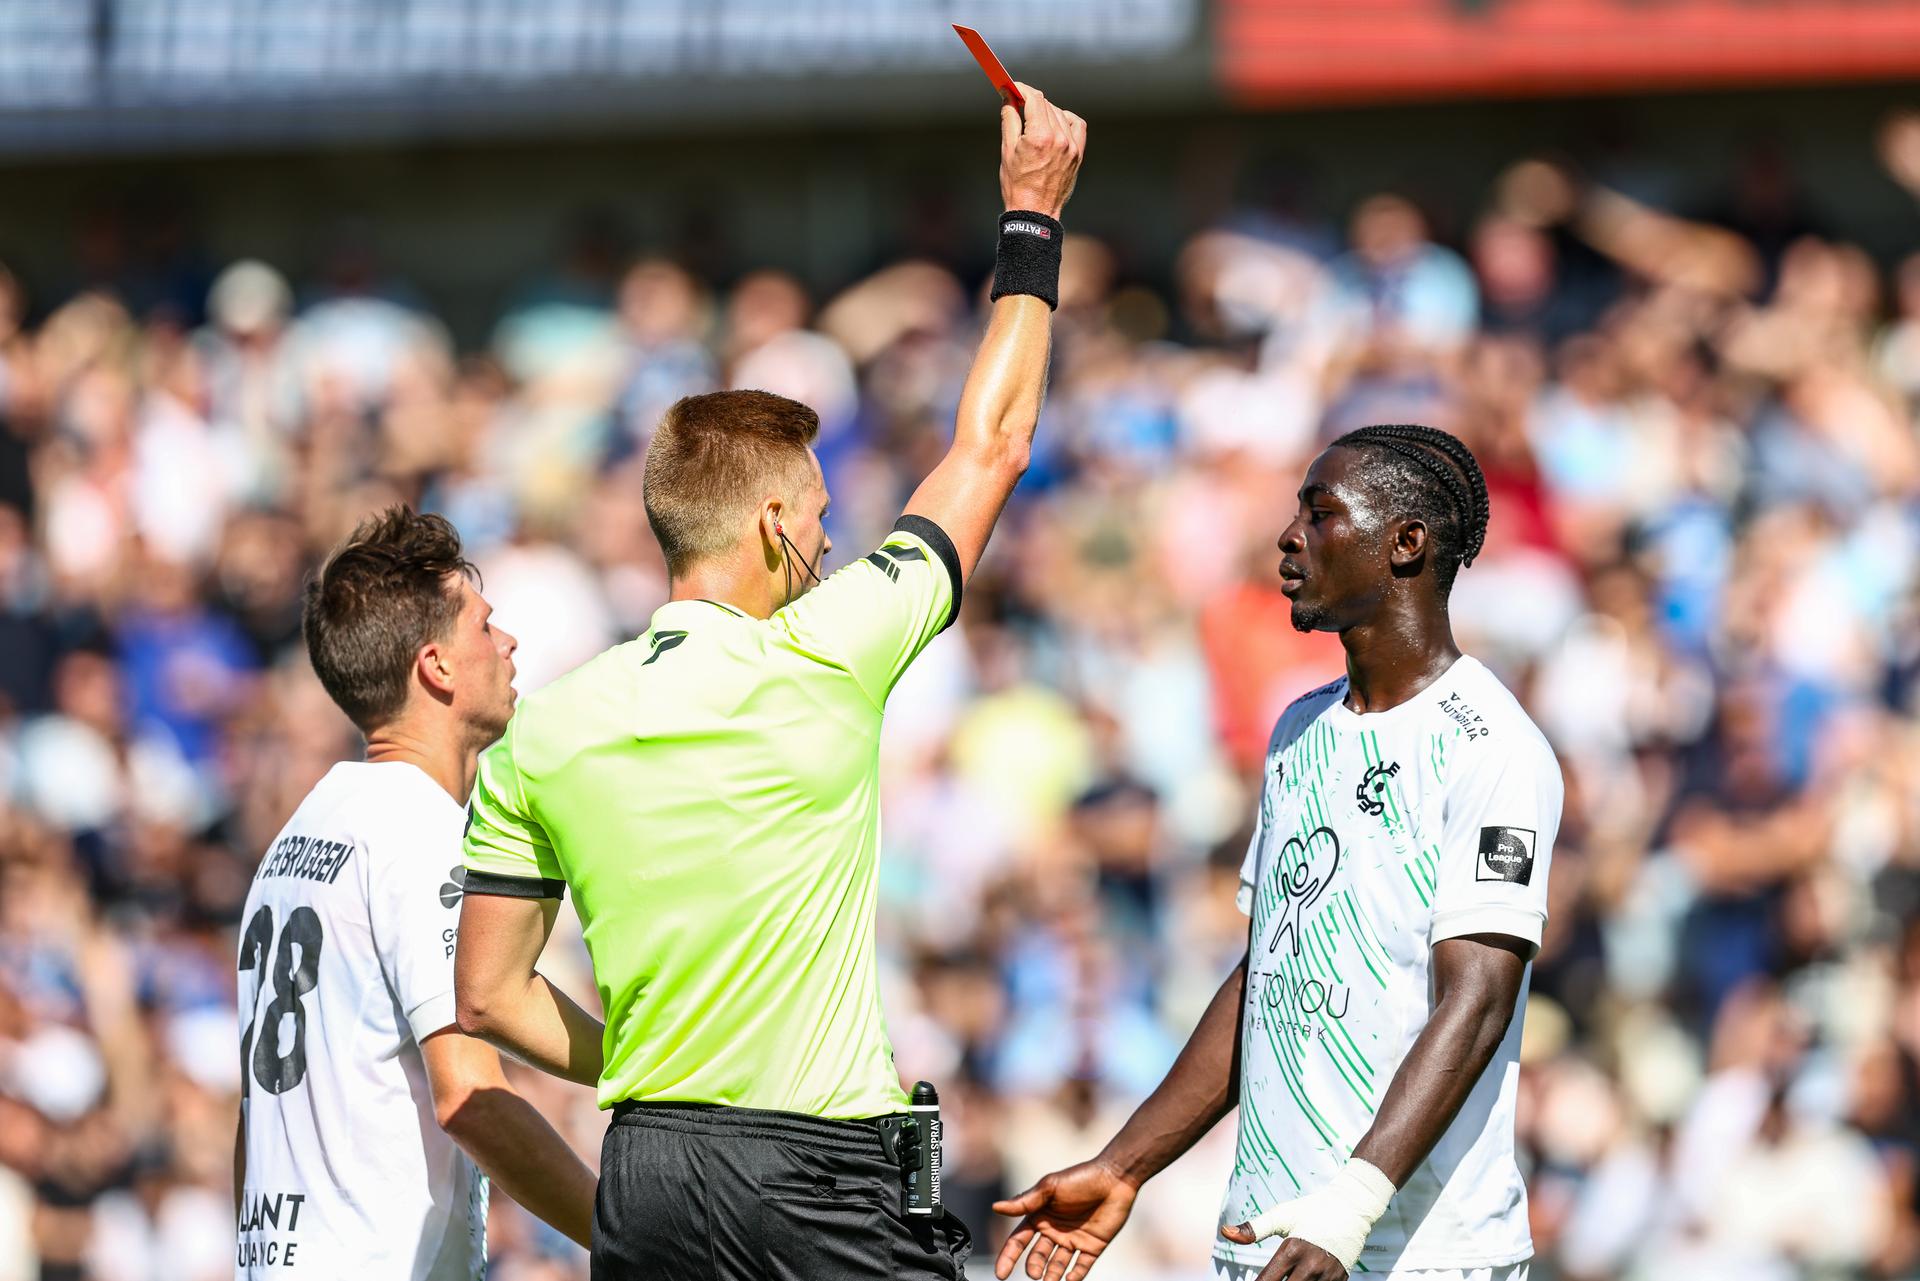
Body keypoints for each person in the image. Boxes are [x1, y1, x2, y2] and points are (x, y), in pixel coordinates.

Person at [450, 83, 1085, 1279]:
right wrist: (1032, 220)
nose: (834, 543)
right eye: (823, 517)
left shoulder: (546, 729)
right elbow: (992, 445)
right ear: (778, 524)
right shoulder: (829, 648)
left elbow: (487, 998)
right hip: (820, 1169)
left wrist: (651, 1063)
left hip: (647, 1170)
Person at [993, 424, 1563, 1281]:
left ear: (1405, 542)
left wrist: (1351, 1207)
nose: (1289, 537)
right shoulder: (1300, 727)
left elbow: (1478, 1001)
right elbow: (1266, 970)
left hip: (1417, 1253)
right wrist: (1124, 1165)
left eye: (1321, 513)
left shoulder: (1493, 747)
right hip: (1269, 1238)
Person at [234, 507, 596, 1279]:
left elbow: (254, 1129)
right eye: (485, 626)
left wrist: (625, 1060)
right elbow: (468, 1094)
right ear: (437, 667)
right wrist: (623, 1237)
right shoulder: (417, 830)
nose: (509, 643)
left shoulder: (297, 837)